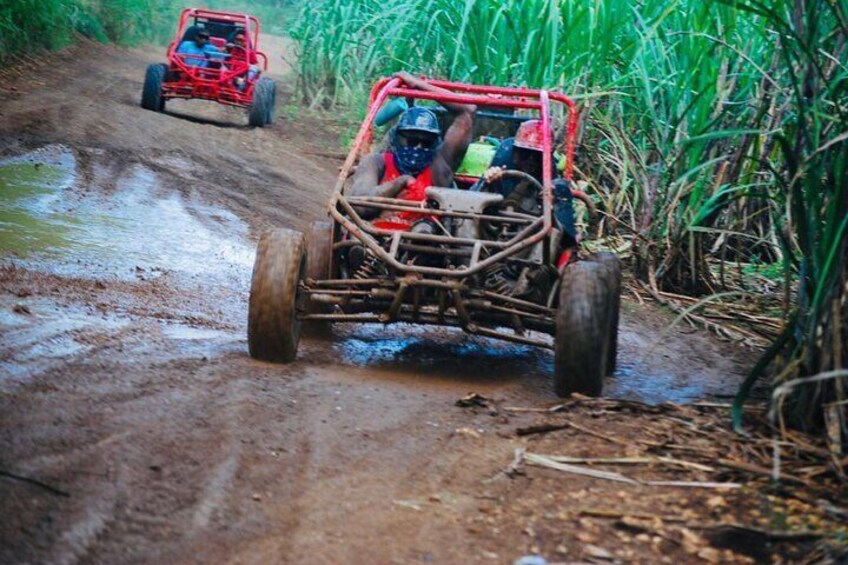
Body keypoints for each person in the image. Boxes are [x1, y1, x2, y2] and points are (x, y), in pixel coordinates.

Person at [350, 71, 477, 230]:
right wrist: (400, 182)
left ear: (434, 143)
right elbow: (360, 206)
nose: (418, 147)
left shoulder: (439, 167)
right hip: (372, 238)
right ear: (398, 138)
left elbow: (467, 111)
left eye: (425, 142)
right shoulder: (376, 162)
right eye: (412, 140)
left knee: (427, 230)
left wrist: (418, 85)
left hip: (425, 243)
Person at [482, 119, 577, 249]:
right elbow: (473, 198)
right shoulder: (504, 158)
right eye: (525, 154)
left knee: (560, 190)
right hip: (491, 228)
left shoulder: (553, 179)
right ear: (515, 151)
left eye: (537, 155)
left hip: (527, 238)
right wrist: (489, 181)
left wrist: (550, 206)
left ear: (547, 155)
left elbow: (566, 239)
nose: (531, 161)